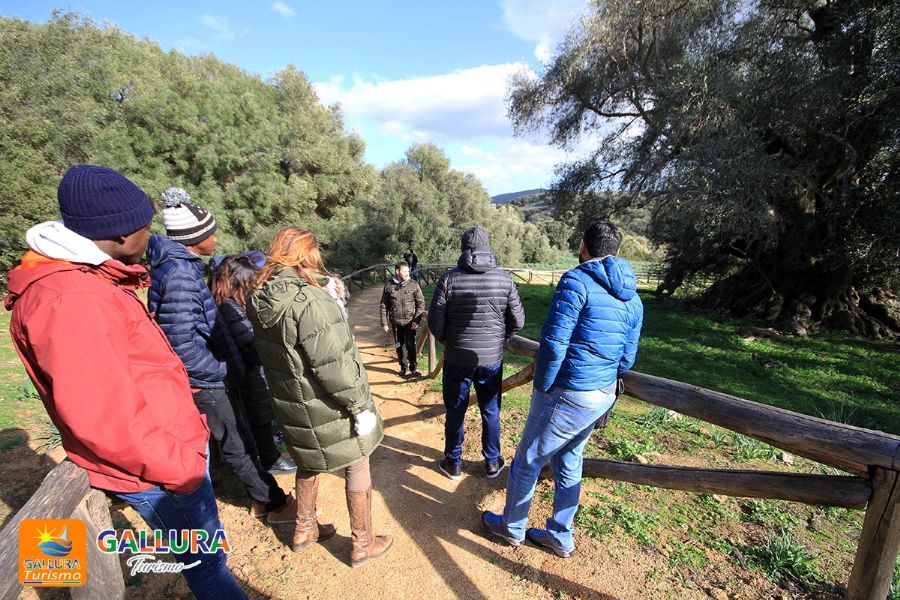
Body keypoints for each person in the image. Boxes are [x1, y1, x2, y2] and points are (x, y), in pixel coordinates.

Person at [5, 165, 247, 599]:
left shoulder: (86, 283)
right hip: (159, 469)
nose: (151, 239)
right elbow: (103, 415)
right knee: (209, 567)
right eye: (145, 228)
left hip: (162, 453)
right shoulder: (71, 300)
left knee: (206, 558)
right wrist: (184, 467)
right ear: (119, 234)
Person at [482, 221, 644, 558]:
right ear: (617, 252)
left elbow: (554, 343)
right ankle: (560, 534)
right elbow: (627, 359)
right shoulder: (634, 299)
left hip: (568, 390)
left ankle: (512, 528)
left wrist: (543, 386)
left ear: (585, 246)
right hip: (601, 394)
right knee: (570, 459)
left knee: (528, 459)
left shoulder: (577, 281)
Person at [147, 187, 294, 525]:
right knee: (236, 442)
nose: (214, 238)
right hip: (208, 380)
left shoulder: (182, 269)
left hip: (214, 376)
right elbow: (180, 340)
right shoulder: (180, 275)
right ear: (194, 237)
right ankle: (273, 503)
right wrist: (218, 370)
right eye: (209, 232)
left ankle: (260, 498)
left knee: (239, 437)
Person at [248, 226, 392, 566]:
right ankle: (363, 542)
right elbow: (335, 365)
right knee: (357, 460)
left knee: (306, 459)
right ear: (305, 256)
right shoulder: (311, 301)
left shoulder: (260, 297)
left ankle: (304, 527)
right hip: (327, 405)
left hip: (292, 405)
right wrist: (359, 407)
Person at [428, 226, 525, 480]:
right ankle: (492, 462)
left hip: (457, 357)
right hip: (491, 359)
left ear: (463, 248)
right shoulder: (504, 279)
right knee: (491, 409)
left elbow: (435, 322)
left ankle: (453, 462)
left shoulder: (449, 279)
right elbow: (518, 320)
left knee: (456, 409)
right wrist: (500, 339)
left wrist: (450, 342)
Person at [210, 255, 298, 475]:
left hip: (248, 373)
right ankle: (270, 459)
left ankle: (269, 456)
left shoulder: (229, 305)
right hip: (247, 374)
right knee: (259, 418)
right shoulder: (231, 309)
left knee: (261, 416)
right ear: (238, 282)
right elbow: (250, 346)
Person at [380, 261, 425, 377]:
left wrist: (416, 321)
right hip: (396, 323)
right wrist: (384, 322)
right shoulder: (389, 285)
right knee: (399, 346)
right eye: (404, 271)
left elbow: (421, 304)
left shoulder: (414, 284)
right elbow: (384, 304)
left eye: (408, 271)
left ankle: (413, 369)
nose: (407, 273)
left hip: (410, 323)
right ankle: (403, 368)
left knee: (411, 345)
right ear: (397, 271)